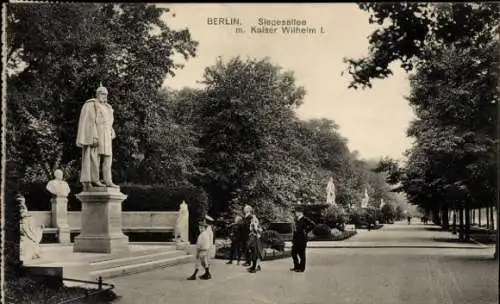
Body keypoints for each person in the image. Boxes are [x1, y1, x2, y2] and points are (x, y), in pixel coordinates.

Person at [76, 83, 119, 190]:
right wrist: (94, 135)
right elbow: (90, 122)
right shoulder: (92, 104)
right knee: (95, 158)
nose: (104, 96)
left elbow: (108, 122)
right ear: (97, 94)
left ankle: (108, 180)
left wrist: (111, 130)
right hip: (97, 134)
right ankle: (95, 179)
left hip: (106, 136)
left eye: (105, 94)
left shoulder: (108, 107)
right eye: (102, 94)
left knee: (108, 158)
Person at [18, 195, 44, 261]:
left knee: (32, 234)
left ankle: (33, 235)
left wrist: (27, 215)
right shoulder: (18, 207)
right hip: (22, 223)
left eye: (23, 201)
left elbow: (25, 213)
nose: (22, 202)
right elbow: (20, 214)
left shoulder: (24, 206)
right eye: (21, 201)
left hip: (26, 222)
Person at [290, 207, 315, 273]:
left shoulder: (305, 219)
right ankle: (296, 266)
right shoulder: (296, 219)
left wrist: (306, 231)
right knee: (293, 253)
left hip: (302, 239)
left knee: (302, 254)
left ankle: (301, 268)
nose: (295, 213)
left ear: (300, 213)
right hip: (296, 239)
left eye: (296, 212)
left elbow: (313, 224)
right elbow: (295, 229)